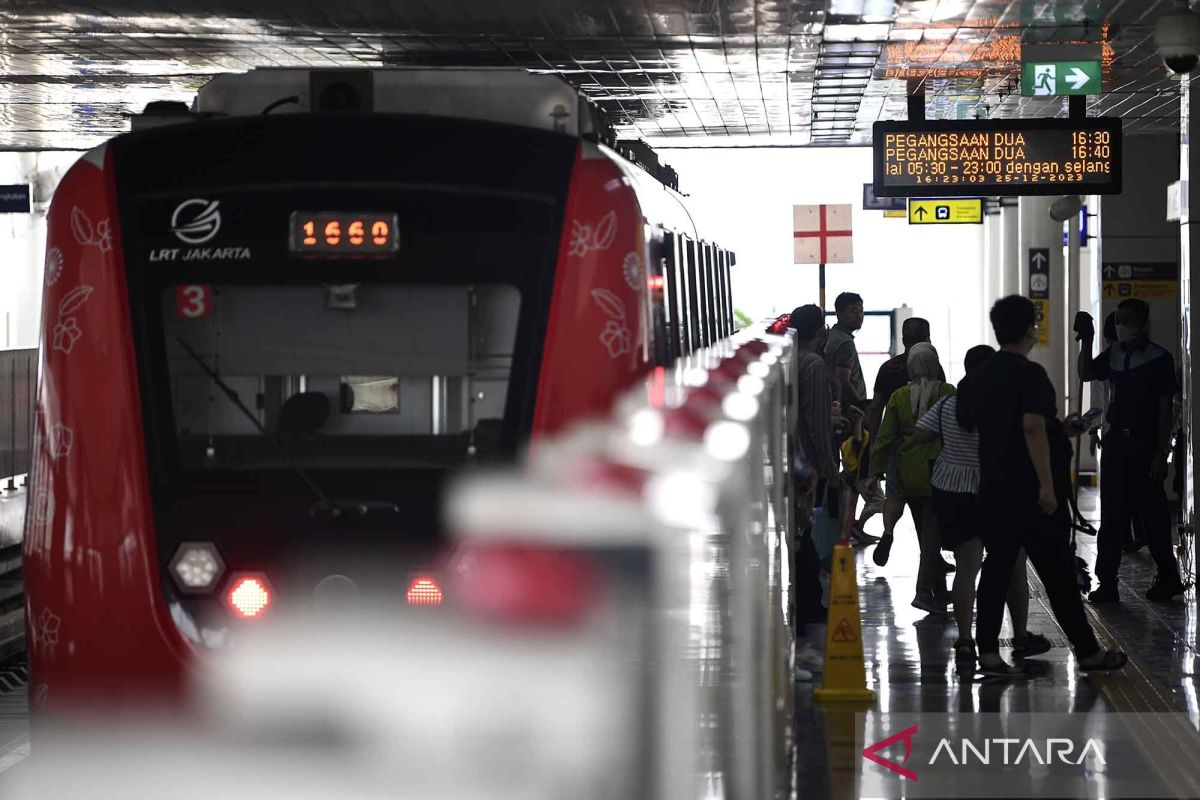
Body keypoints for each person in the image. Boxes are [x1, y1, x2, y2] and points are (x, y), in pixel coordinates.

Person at [960, 295, 1126, 674]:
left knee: (996, 570)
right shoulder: (1029, 374)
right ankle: (1088, 653)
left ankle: (987, 653)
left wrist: (1058, 429)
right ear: (1028, 330)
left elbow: (974, 422)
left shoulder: (981, 375)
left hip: (993, 490)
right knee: (1058, 576)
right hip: (1033, 494)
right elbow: (1030, 426)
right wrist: (1048, 487)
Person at [912, 344, 1051, 664]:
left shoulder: (949, 404)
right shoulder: (1007, 405)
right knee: (1013, 565)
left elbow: (919, 434)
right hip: (995, 490)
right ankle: (1020, 636)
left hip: (951, 491)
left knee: (966, 568)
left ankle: (964, 640)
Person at [1078, 299, 1183, 602]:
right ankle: (1107, 582)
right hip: (1116, 445)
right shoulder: (1114, 354)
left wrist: (1162, 453)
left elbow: (1165, 409)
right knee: (1112, 515)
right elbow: (1086, 373)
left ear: (1143, 323)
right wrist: (1087, 339)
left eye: (1127, 320)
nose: (1121, 326)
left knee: (1153, 515)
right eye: (1118, 321)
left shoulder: (1158, 359)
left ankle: (1168, 575)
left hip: (1145, 446)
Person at [869, 342, 955, 613]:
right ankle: (922, 591)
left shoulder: (899, 397)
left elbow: (884, 438)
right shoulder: (947, 393)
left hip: (908, 472)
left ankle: (939, 593)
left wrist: (873, 470)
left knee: (927, 531)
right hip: (940, 473)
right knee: (932, 533)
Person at [863, 317, 946, 556]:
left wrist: (874, 452)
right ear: (928, 338)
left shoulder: (889, 370)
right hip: (931, 452)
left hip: (898, 452)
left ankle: (888, 531)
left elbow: (877, 408)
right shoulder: (936, 371)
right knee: (929, 508)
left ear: (903, 339)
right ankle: (931, 556)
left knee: (895, 495)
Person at [788, 305, 840, 676]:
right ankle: (810, 603)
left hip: (791, 458)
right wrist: (828, 467)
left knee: (802, 531)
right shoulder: (815, 365)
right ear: (820, 332)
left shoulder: (789, 358)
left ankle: (808, 600)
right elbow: (816, 421)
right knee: (807, 529)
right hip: (808, 463)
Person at [824, 292, 866, 408]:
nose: (859, 316)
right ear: (839, 314)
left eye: (861, 310)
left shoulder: (830, 335)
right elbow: (843, 380)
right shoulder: (845, 342)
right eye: (853, 311)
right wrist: (860, 406)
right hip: (847, 409)